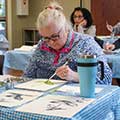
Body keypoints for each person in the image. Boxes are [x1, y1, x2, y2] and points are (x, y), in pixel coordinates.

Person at [23, 1, 112, 85]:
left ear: (66, 28)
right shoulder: (43, 44)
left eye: (55, 36)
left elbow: (106, 78)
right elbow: (27, 76)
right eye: (46, 38)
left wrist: (75, 76)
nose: (50, 42)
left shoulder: (85, 44)